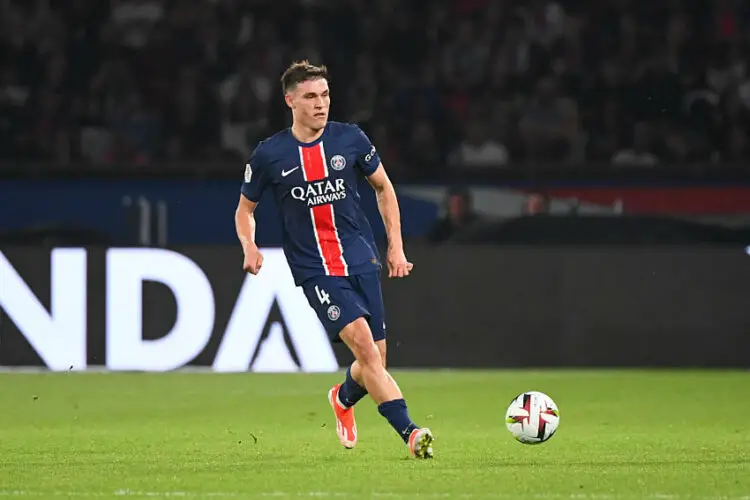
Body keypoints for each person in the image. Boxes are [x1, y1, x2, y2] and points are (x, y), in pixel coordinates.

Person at [234, 60, 434, 459]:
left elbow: (384, 188)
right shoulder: (270, 154)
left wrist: (396, 245)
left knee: (375, 357)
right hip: (315, 269)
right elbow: (245, 210)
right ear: (290, 101)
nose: (320, 104)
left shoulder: (351, 140)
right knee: (363, 345)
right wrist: (250, 247)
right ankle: (411, 433)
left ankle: (342, 399)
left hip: (361, 259)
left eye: (325, 95)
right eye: (310, 97)